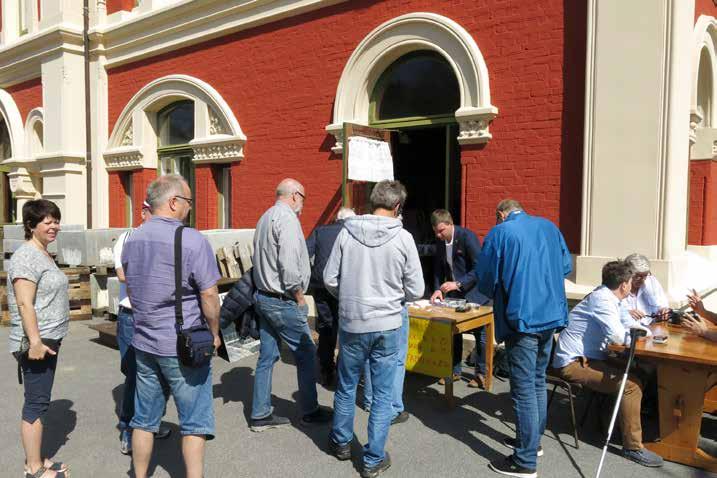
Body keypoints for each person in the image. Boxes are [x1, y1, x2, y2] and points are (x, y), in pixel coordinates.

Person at [122, 174, 221, 478]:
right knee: (194, 421)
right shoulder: (191, 239)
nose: (189, 209)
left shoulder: (132, 238)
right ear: (174, 202)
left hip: (144, 341)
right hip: (182, 345)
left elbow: (131, 282)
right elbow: (209, 294)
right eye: (188, 202)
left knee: (143, 419)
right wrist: (214, 334)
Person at [324, 180, 424, 478]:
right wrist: (395, 297)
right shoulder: (403, 238)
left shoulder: (347, 233)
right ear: (397, 207)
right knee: (381, 394)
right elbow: (416, 288)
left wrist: (350, 297)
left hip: (354, 321)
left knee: (346, 385)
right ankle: (372, 458)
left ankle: (341, 443)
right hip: (388, 323)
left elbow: (330, 278)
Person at [476, 199, 572, 478]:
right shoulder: (550, 227)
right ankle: (532, 442)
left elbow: (486, 278)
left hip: (523, 318)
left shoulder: (501, 232)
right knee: (538, 381)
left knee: (524, 389)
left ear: (500, 214)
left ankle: (525, 459)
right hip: (551, 316)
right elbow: (565, 267)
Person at [552, 260, 663, 468]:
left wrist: (646, 334)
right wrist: (639, 338)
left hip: (593, 356)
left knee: (645, 370)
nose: (632, 286)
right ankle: (633, 447)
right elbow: (618, 336)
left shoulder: (613, 298)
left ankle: (615, 420)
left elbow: (629, 323)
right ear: (624, 284)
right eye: (631, 282)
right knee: (631, 386)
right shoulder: (602, 300)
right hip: (574, 362)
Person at [250, 178, 332, 431]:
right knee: (307, 352)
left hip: (265, 296)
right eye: (303, 199)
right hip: (282, 299)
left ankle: (260, 414)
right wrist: (298, 296)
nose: (303, 205)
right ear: (295, 195)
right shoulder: (286, 219)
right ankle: (309, 410)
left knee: (267, 356)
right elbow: (287, 263)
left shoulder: (265, 217)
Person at [8, 199, 69, 478]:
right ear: (31, 225)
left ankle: (38, 459)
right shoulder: (26, 256)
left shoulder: (42, 253)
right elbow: (24, 304)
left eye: (56, 220)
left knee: (40, 400)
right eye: (47, 221)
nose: (54, 226)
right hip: (37, 342)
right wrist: (34, 342)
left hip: (47, 339)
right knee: (35, 403)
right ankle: (33, 469)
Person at [113, 200, 170, 455]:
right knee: (135, 376)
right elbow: (124, 274)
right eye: (154, 213)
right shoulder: (128, 238)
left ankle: (150, 423)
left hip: (159, 316)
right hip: (132, 316)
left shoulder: (165, 239)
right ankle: (127, 428)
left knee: (162, 376)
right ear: (144, 213)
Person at [429, 209, 489, 388]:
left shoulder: (467, 237)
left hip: (476, 293)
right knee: (453, 333)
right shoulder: (440, 242)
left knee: (481, 336)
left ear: (450, 223)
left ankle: (481, 374)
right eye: (436, 232)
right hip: (454, 296)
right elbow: (439, 270)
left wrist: (459, 284)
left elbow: (479, 268)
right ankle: (454, 371)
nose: (439, 235)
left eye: (441, 231)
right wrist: (438, 290)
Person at [306, 207, 355, 386]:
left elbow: (305, 253)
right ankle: (344, 369)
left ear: (337, 218)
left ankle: (327, 369)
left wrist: (312, 274)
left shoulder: (320, 231)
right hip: (345, 287)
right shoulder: (353, 233)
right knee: (347, 327)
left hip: (320, 285)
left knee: (327, 326)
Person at [623, 253, 670, 322]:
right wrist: (626, 313)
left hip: (654, 327)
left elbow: (663, 305)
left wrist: (664, 310)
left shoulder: (652, 281)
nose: (642, 280)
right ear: (628, 273)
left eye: (645, 275)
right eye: (638, 276)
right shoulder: (619, 286)